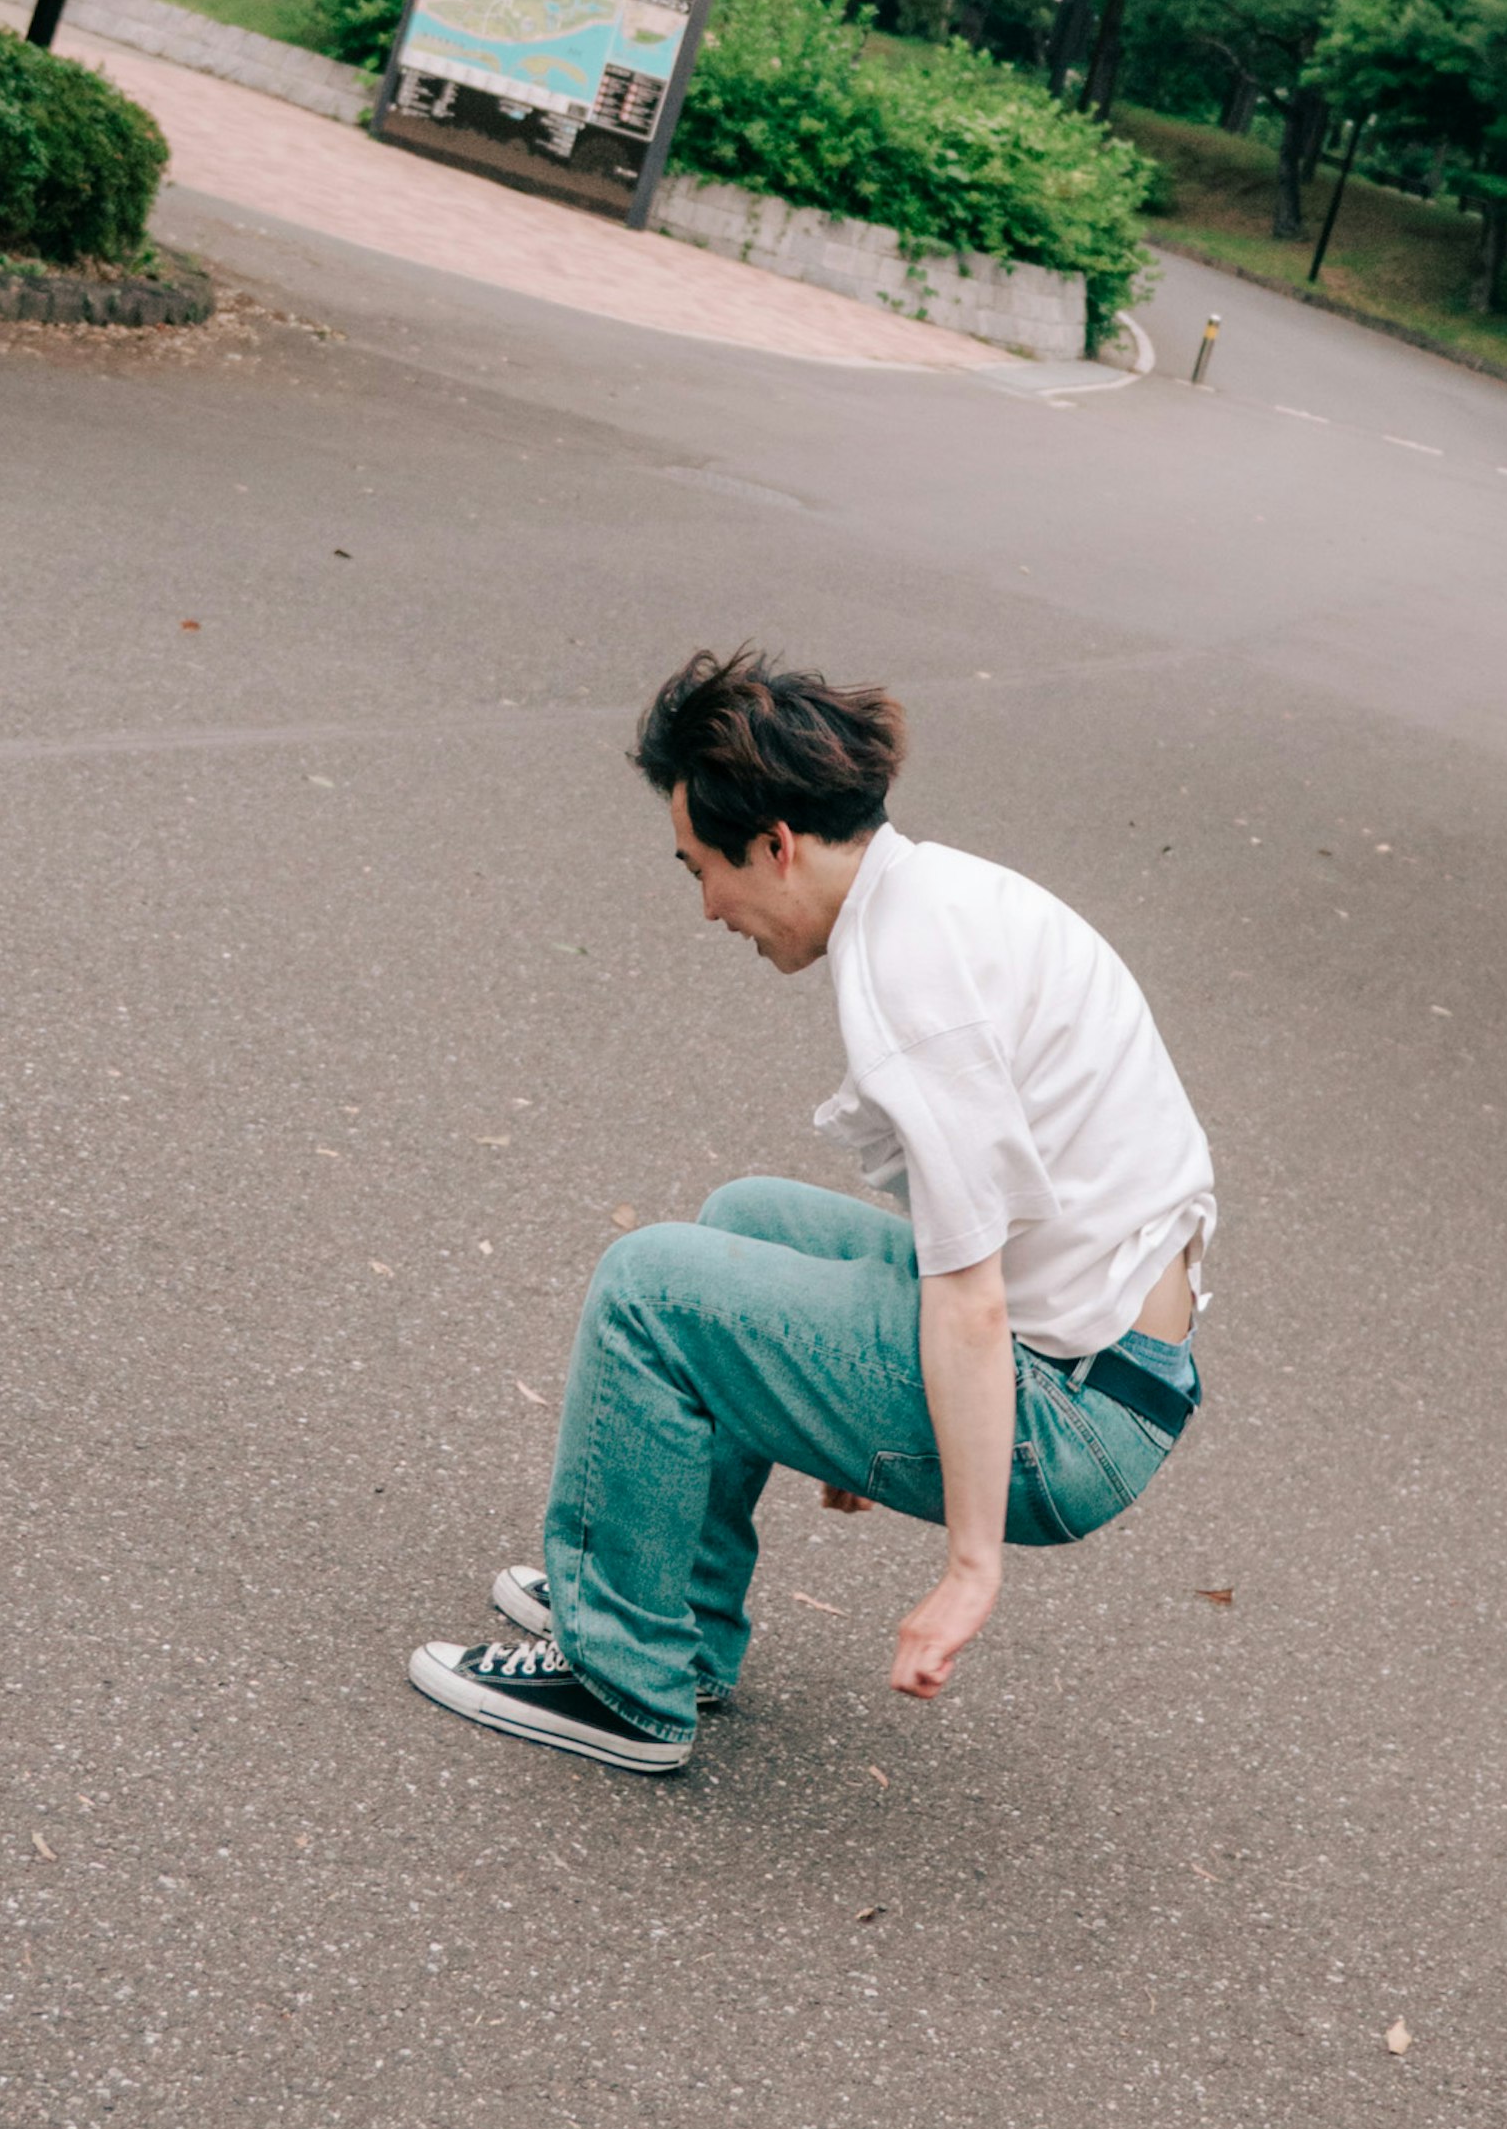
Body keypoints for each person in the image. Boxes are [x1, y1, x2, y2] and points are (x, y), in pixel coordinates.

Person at [408, 646, 1216, 1775]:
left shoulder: (915, 986)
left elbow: (973, 1301)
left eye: (704, 867)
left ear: (777, 844)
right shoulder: (940, 895)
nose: (706, 908)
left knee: (648, 1283)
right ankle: (668, 1617)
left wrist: (970, 1566)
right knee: (745, 1218)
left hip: (1071, 1413)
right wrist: (836, 1390)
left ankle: (624, 1682)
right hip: (1106, 1356)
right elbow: (973, 1240)